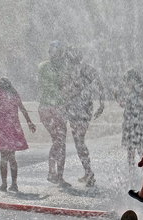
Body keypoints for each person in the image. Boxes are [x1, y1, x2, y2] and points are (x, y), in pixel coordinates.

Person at [62, 46, 105, 187]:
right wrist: (101, 103)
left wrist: (64, 103)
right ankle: (88, 172)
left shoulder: (71, 71)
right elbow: (100, 85)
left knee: (79, 141)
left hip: (77, 109)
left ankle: (89, 173)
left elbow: (69, 91)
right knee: (80, 141)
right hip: (85, 108)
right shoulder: (88, 69)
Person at [0, 77, 36, 192]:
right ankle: (14, 184)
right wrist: (29, 122)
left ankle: (4, 184)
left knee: (3, 158)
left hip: (3, 128)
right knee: (12, 158)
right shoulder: (14, 94)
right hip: (13, 127)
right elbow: (22, 109)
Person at [38, 41, 71, 187]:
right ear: (50, 52)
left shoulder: (64, 67)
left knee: (60, 142)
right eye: (54, 51)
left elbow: (66, 85)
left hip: (58, 107)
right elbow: (49, 85)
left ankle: (58, 175)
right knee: (58, 141)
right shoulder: (44, 67)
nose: (56, 54)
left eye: (59, 52)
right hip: (49, 108)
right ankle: (53, 173)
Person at [114, 69, 143, 166]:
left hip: (133, 124)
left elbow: (126, 105)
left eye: (127, 81)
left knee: (133, 150)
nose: (126, 84)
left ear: (132, 80)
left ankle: (135, 172)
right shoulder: (140, 92)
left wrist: (117, 97)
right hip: (137, 124)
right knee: (138, 149)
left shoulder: (137, 92)